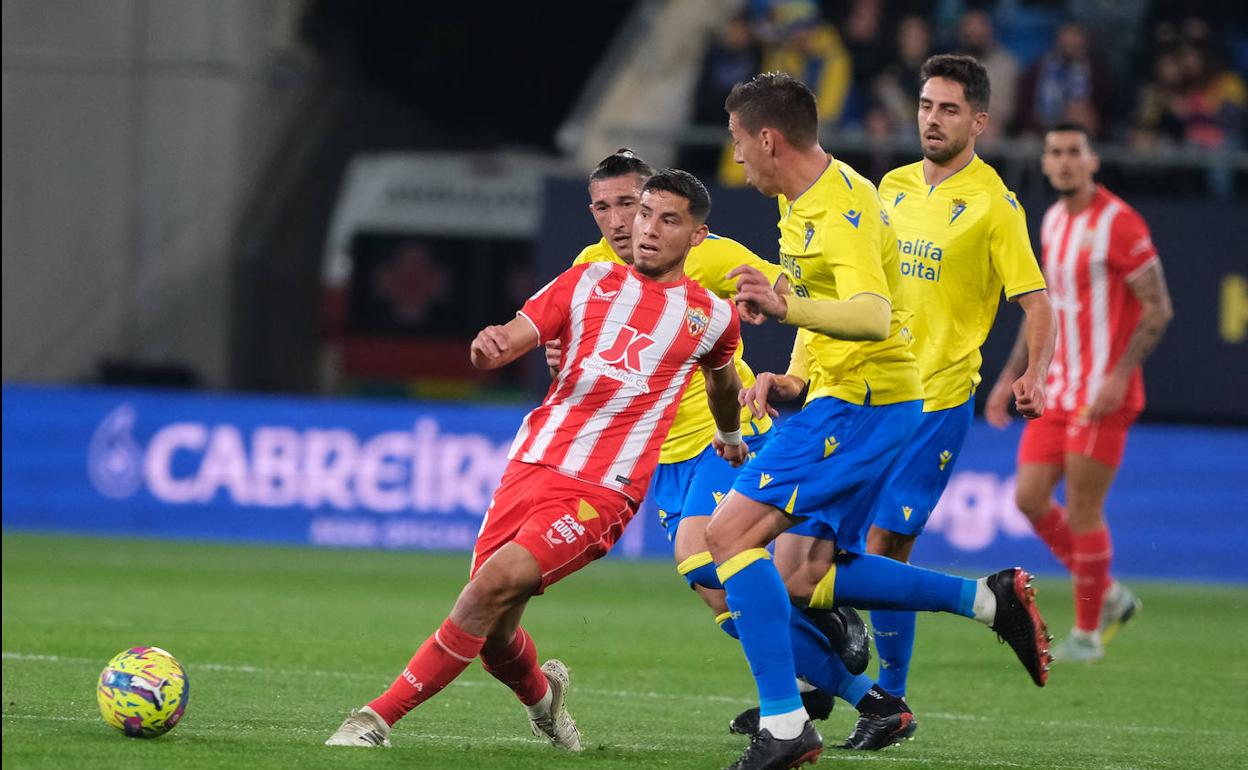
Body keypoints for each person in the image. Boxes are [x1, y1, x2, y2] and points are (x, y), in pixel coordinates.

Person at [325, 169, 749, 750]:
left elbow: (723, 382)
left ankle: (374, 720)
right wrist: (492, 343)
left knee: (486, 589)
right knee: (494, 633)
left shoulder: (711, 316)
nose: (645, 228)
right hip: (530, 465)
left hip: (602, 487)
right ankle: (547, 704)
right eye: (643, 213)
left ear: (698, 236)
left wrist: (728, 433)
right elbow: (518, 331)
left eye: (667, 219)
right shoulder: (584, 281)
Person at [707, 72, 1052, 770]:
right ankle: (986, 603)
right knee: (799, 572)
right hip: (846, 394)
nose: (737, 156)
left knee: (728, 536)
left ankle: (793, 721)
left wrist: (783, 310)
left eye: (741, 141)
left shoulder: (847, 209)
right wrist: (794, 372)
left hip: (879, 400)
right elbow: (819, 294)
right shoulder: (816, 198)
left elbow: (869, 313)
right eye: (924, 103)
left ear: (769, 139)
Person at [555, 148, 865, 725]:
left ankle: (823, 621)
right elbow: (583, 350)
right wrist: (560, 351)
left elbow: (790, 291)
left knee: (699, 556)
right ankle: (857, 693)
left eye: (631, 204)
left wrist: (775, 308)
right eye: (604, 208)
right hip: (660, 458)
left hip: (727, 437)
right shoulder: (591, 268)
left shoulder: (708, 251)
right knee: (718, 593)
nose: (621, 221)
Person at [866, 53, 1057, 702]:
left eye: (948, 109)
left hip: (937, 400)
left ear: (979, 121)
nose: (932, 119)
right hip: (868, 396)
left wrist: (1035, 374)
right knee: (830, 546)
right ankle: (852, 679)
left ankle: (886, 695)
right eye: (925, 105)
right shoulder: (888, 186)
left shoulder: (995, 205)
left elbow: (1037, 302)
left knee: (886, 544)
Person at [985, 122, 1173, 663]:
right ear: (1045, 163)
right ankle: (1109, 593)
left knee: (1084, 511)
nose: (1064, 161)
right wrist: (1008, 378)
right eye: (1055, 153)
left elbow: (1158, 307)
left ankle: (1088, 635)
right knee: (1028, 498)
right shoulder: (1050, 220)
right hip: (1058, 387)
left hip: (1102, 395)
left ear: (1093, 161)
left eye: (1074, 152)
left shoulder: (1120, 222)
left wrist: (1119, 375)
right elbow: (1043, 307)